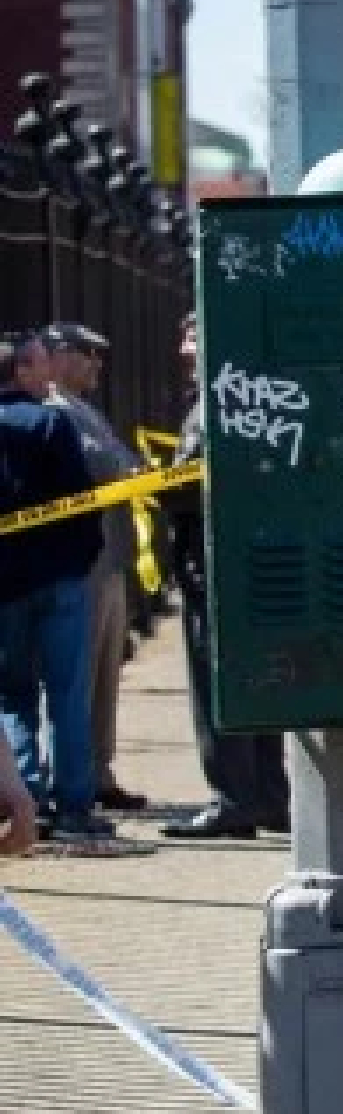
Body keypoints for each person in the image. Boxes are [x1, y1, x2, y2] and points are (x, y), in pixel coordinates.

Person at [157, 314, 290, 838]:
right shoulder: (254, 392)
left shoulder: (211, 402)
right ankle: (269, 795)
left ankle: (234, 800)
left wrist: (152, 486)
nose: (184, 347)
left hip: (211, 567)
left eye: (192, 335)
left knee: (218, 687)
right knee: (257, 684)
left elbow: (193, 485)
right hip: (248, 563)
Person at [0, 329, 111, 841]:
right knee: (67, 693)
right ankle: (74, 803)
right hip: (59, 580)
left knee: (13, 695)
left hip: (4, 587)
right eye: (39, 364)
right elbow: (81, 504)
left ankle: (24, 795)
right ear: (21, 372)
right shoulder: (51, 424)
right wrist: (80, 562)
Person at [42, 321, 149, 812]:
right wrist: (128, 467)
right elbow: (108, 464)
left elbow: (121, 459)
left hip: (107, 560)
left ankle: (98, 771)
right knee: (79, 676)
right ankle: (68, 777)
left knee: (106, 672)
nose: (96, 364)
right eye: (86, 354)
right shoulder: (55, 408)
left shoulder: (83, 408)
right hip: (81, 563)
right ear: (58, 355)